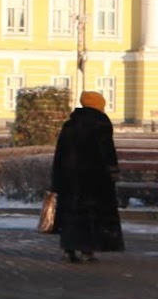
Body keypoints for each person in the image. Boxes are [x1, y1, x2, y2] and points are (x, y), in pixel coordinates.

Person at [49, 90, 122, 264]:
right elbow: (107, 151)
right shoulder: (101, 123)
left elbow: (60, 152)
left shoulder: (70, 124)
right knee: (91, 214)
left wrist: (57, 175)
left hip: (69, 177)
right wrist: (113, 171)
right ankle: (86, 250)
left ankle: (69, 249)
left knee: (71, 212)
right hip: (95, 178)